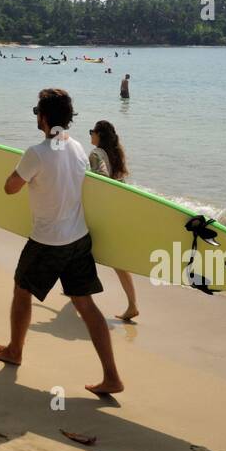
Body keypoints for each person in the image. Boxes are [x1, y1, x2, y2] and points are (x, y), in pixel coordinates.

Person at [0, 88, 124, 396]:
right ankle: (112, 376)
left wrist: (17, 172)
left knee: (22, 291)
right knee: (86, 305)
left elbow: (10, 188)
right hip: (78, 238)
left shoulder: (36, 153)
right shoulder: (76, 148)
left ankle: (14, 351)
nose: (36, 116)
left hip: (48, 240)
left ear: (44, 117)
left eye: (37, 111)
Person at [89, 121, 138, 321]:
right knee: (117, 261)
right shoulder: (116, 155)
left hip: (103, 213)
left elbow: (100, 178)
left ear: (99, 135)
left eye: (92, 132)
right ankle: (132, 304)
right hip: (118, 211)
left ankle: (79, 291)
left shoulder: (96, 154)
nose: (90, 135)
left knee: (81, 247)